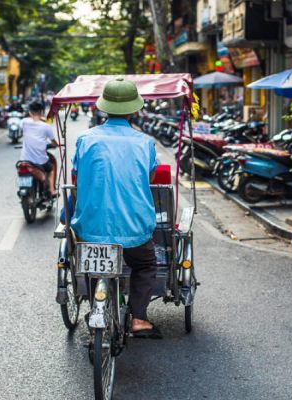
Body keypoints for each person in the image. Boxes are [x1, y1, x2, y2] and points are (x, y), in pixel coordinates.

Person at [71, 78, 162, 339]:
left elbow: (76, 178)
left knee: (91, 263)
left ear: (104, 108)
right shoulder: (144, 142)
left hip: (91, 226)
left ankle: (94, 305)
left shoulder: (86, 139)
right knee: (145, 265)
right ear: (134, 110)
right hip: (134, 228)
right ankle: (140, 319)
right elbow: (150, 178)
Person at [19, 101, 58, 196]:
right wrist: (57, 144)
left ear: (30, 112)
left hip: (25, 160)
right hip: (40, 161)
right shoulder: (46, 126)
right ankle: (52, 191)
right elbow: (53, 142)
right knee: (51, 169)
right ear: (42, 112)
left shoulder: (24, 122)